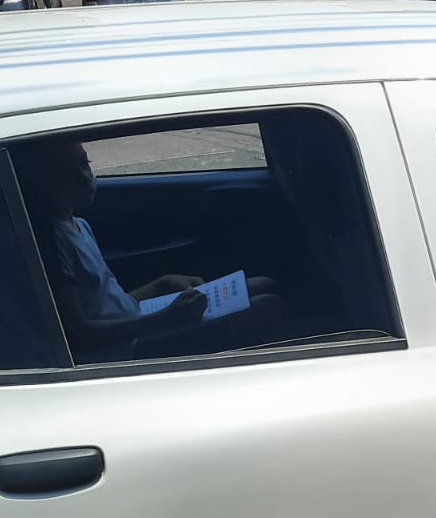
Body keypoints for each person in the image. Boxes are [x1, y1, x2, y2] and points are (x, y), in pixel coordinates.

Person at [17, 137, 281, 359]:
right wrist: (166, 319)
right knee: (266, 306)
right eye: (66, 173)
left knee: (263, 283)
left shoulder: (78, 224)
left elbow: (105, 304)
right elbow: (76, 336)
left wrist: (161, 285)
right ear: (38, 183)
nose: (84, 177)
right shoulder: (51, 244)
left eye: (84, 164)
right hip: (122, 349)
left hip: (135, 322)